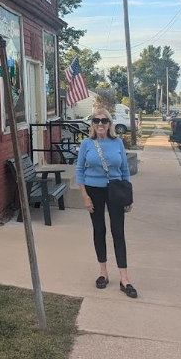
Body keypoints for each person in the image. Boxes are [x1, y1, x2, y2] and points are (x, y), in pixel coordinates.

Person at [76, 108, 137, 298]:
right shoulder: (87, 144)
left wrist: (128, 197)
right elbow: (79, 171)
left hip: (116, 190)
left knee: (118, 232)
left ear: (110, 124)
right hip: (94, 191)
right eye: (96, 120)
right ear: (92, 124)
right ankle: (103, 272)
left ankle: (124, 278)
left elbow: (125, 170)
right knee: (99, 230)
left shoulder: (117, 142)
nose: (100, 124)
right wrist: (85, 197)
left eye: (104, 121)